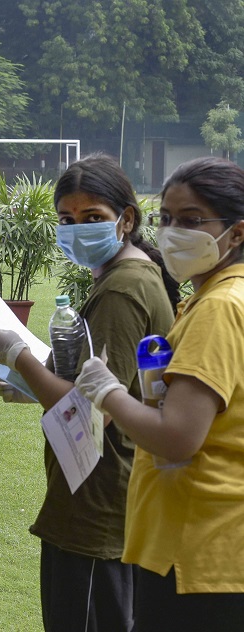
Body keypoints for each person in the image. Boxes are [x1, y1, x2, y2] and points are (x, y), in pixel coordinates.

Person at [0, 154, 178, 631]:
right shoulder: (125, 277)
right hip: (102, 492)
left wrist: (18, 357)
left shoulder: (123, 288)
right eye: (66, 220)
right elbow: (109, 387)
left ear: (126, 219)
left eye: (92, 218)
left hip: (99, 499)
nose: (76, 230)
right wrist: (31, 386)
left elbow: (94, 411)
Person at [73, 156, 244, 631]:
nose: (171, 232)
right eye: (166, 218)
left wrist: (105, 390)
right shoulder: (210, 298)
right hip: (204, 548)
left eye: (191, 221)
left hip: (200, 550)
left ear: (237, 233)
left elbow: (177, 438)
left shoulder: (221, 307)